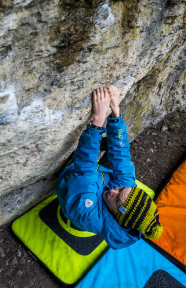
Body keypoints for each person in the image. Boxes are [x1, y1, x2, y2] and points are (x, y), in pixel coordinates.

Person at [56, 85, 163, 249]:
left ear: (116, 216)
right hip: (95, 181)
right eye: (121, 189)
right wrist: (115, 112)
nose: (114, 190)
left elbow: (84, 170)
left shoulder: (89, 215)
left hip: (75, 184)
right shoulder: (126, 190)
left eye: (117, 199)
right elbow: (122, 155)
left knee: (86, 168)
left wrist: (97, 121)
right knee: (120, 160)